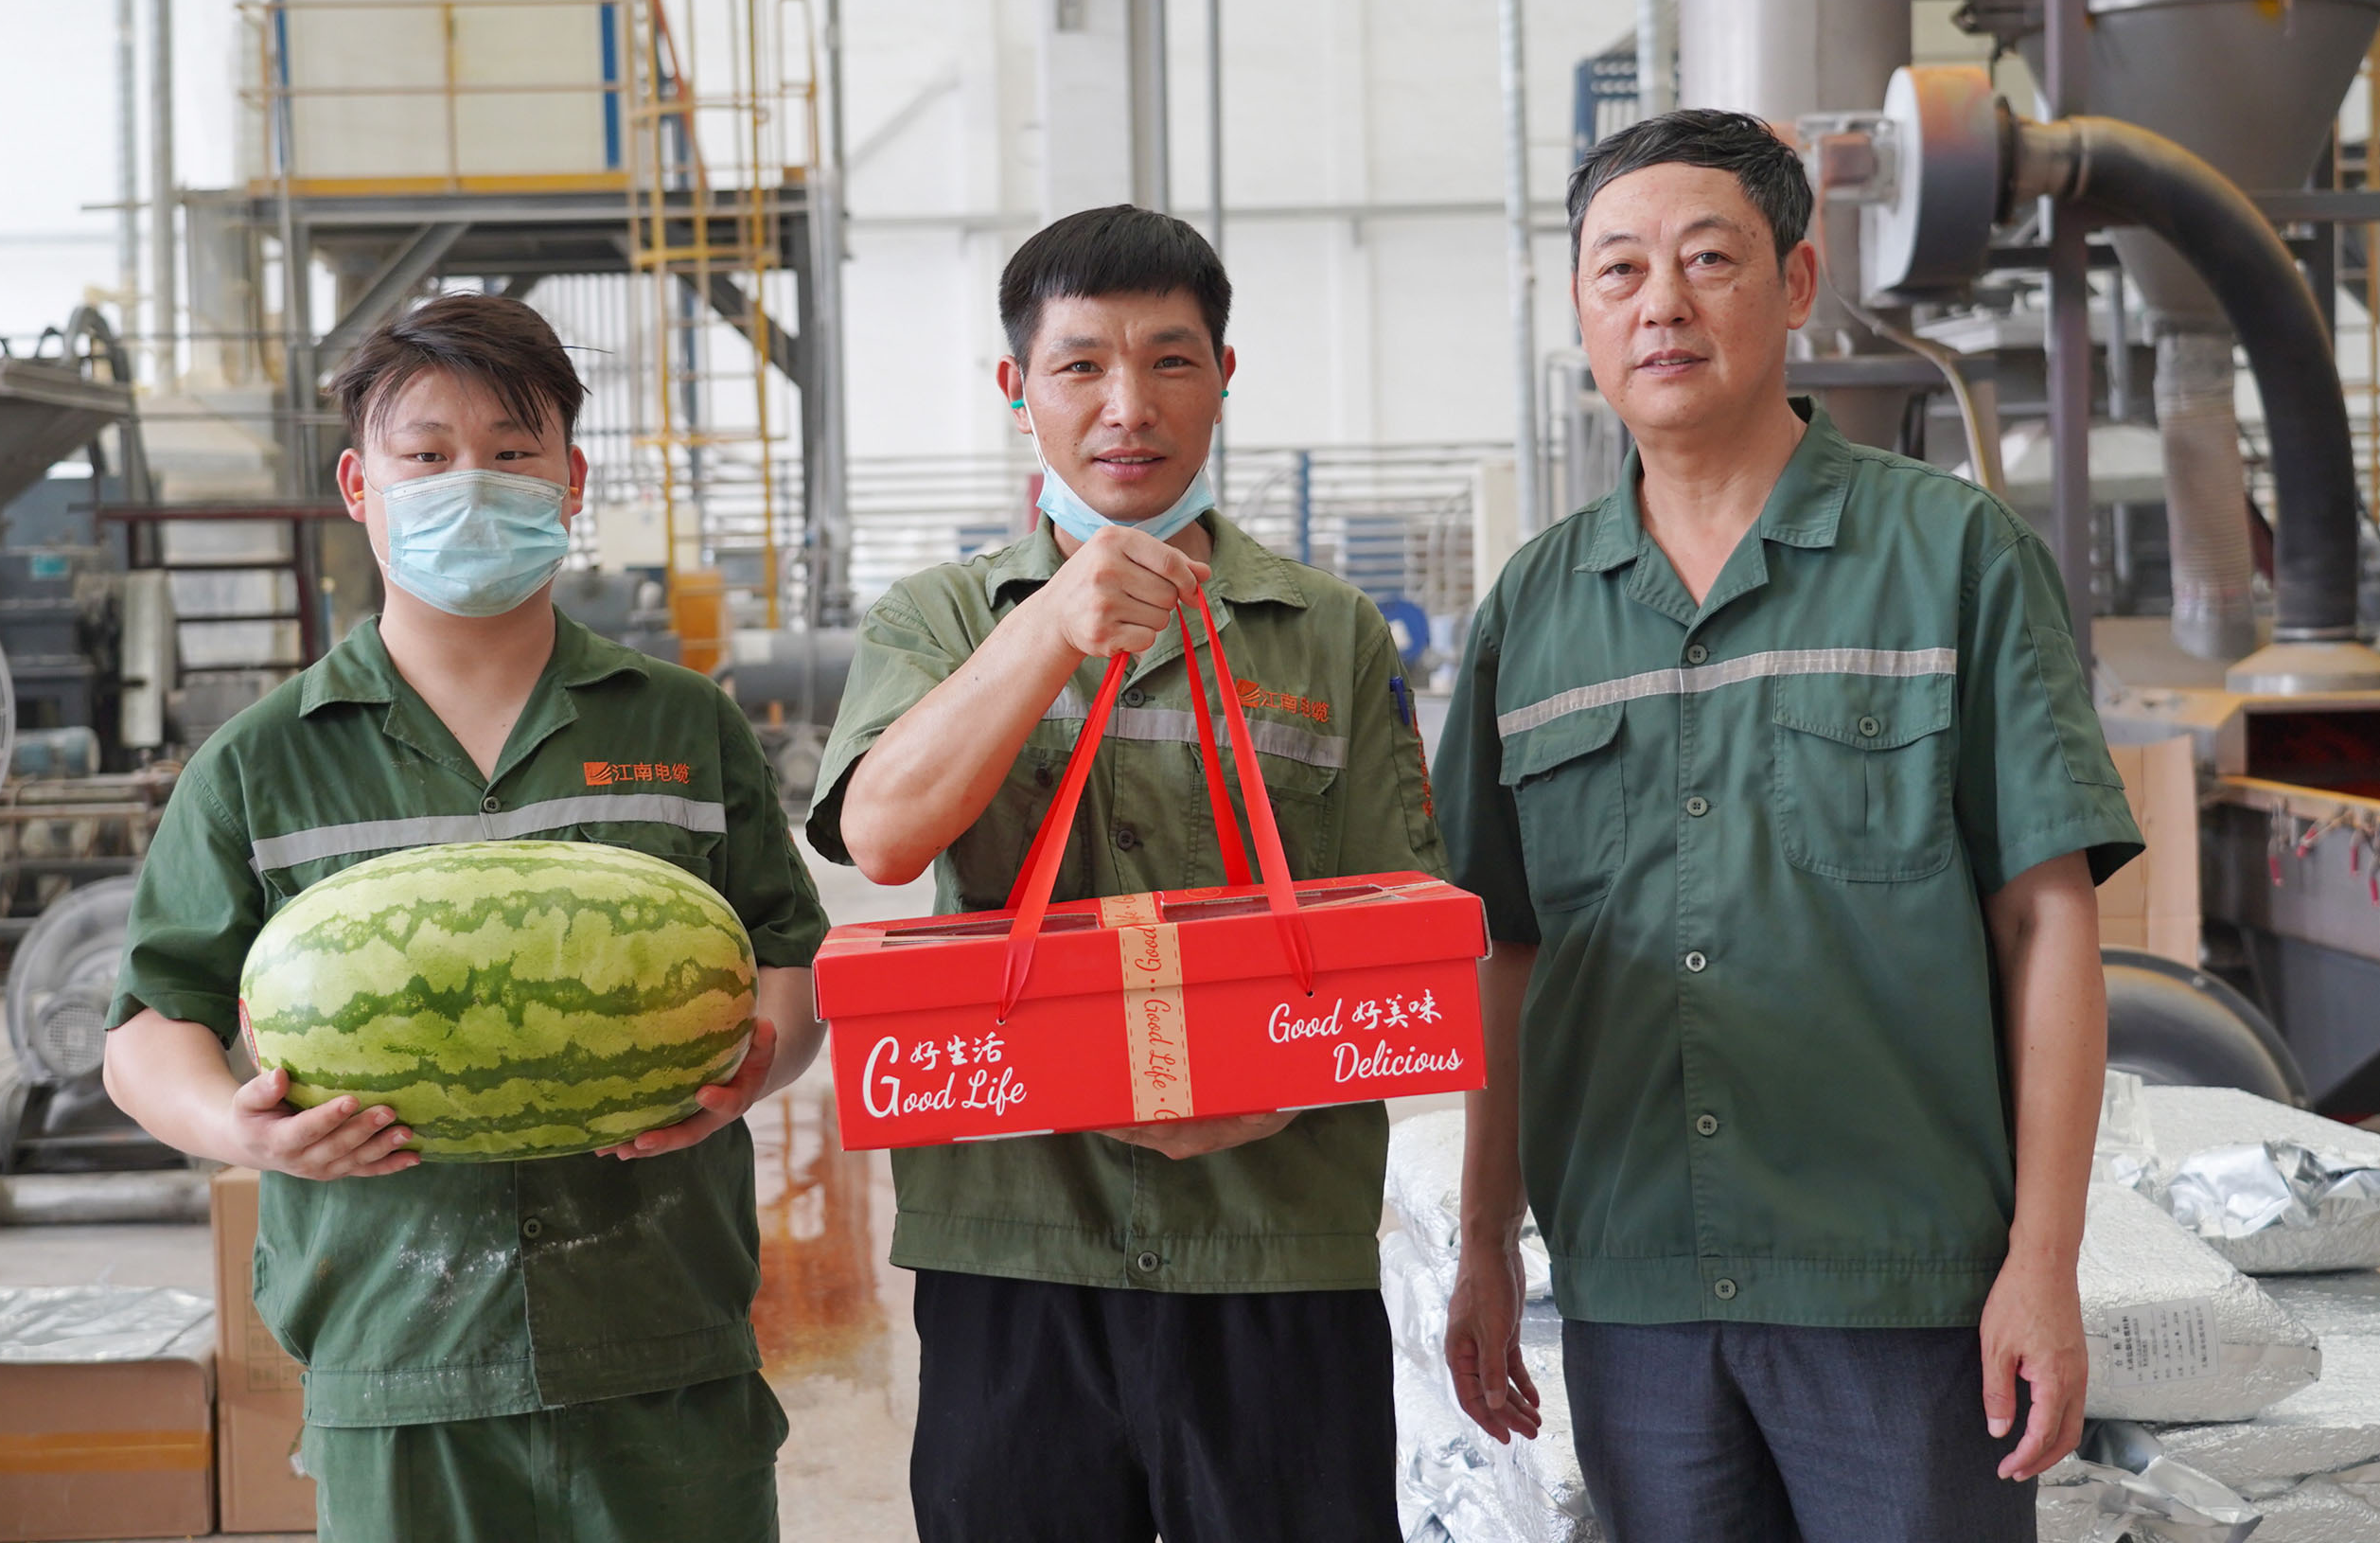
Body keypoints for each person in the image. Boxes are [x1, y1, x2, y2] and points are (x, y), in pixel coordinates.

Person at [1432, 108, 2142, 1541]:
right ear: (1581, 309)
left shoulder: (1952, 557)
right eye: (1620, 270)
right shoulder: (1532, 612)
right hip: (1636, 1292)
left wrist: (2044, 1260)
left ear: (1798, 281)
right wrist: (1485, 1240)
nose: (1662, 304)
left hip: (1899, 1288)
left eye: (1709, 259)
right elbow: (1502, 951)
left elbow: (2047, 918)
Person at [101, 292, 830, 1542]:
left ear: (571, 480)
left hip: (661, 1329)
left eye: (511, 451)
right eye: (427, 455)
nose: (470, 485)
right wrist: (237, 1128)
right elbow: (148, 1026)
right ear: (359, 484)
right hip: (396, 1354)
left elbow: (786, 962)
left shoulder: (685, 725)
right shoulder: (260, 762)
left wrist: (751, 1067)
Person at [807, 204, 1442, 1543]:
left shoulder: (1328, 633)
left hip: (1274, 1244)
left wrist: (1276, 1090)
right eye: (1081, 365)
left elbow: (1401, 942)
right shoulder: (939, 621)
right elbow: (882, 836)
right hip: (1015, 1242)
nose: (1127, 407)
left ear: (1223, 375)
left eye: (1169, 360)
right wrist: (1047, 627)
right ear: (1017, 389)